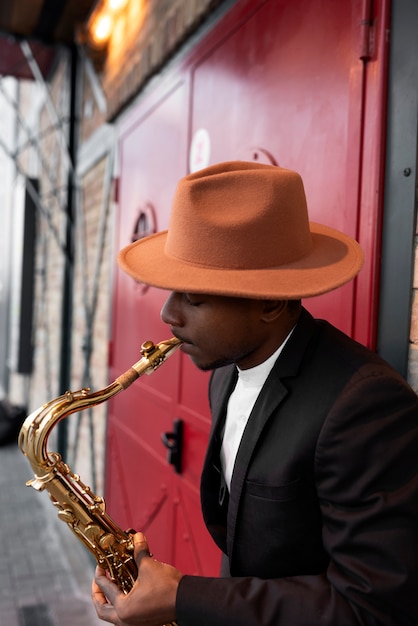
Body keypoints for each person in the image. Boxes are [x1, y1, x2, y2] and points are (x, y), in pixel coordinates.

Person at [92, 161, 418, 625]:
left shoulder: (366, 406)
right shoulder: (225, 371)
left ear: (270, 301)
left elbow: (373, 608)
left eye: (195, 298)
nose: (168, 314)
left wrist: (184, 598)